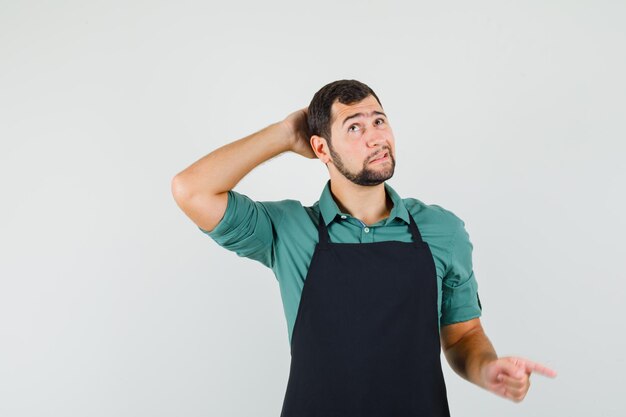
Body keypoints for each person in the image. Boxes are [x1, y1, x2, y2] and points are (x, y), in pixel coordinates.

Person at [171, 79, 557, 416]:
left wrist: (486, 368)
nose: (376, 137)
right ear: (321, 149)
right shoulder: (288, 230)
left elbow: (462, 335)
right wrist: (285, 134)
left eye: (379, 120)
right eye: (354, 127)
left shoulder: (441, 230)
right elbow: (191, 189)